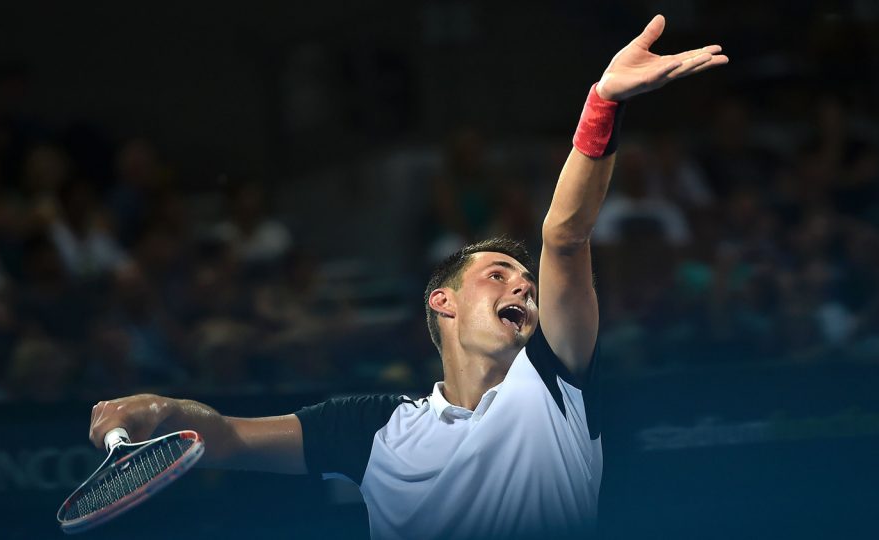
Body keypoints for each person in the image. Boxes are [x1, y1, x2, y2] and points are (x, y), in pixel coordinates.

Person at [88, 15, 727, 539]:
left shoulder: (554, 382)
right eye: (499, 274)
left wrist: (602, 104)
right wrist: (165, 408)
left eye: (524, 280)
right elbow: (223, 437)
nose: (523, 286)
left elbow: (563, 236)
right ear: (441, 301)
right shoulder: (372, 427)